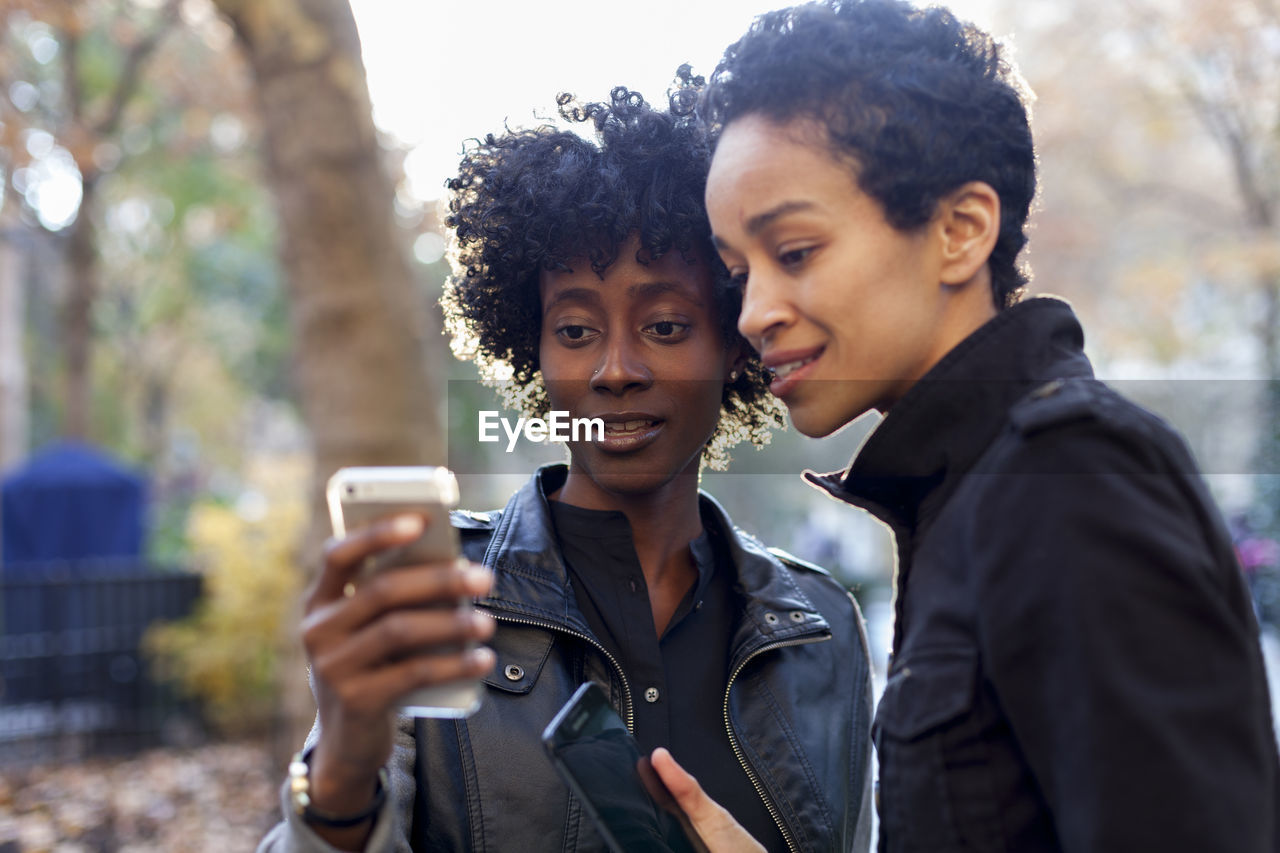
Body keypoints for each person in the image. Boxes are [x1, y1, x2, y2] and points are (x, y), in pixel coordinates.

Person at [651, 1, 1280, 851]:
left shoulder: (1068, 478)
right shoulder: (962, 492)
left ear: (959, 231)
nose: (756, 311)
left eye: (794, 251)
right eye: (737, 273)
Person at [259, 86, 874, 853]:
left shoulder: (821, 628)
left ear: (734, 343)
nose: (615, 369)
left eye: (665, 325)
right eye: (576, 328)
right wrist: (343, 774)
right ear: (534, 351)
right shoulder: (434, 591)